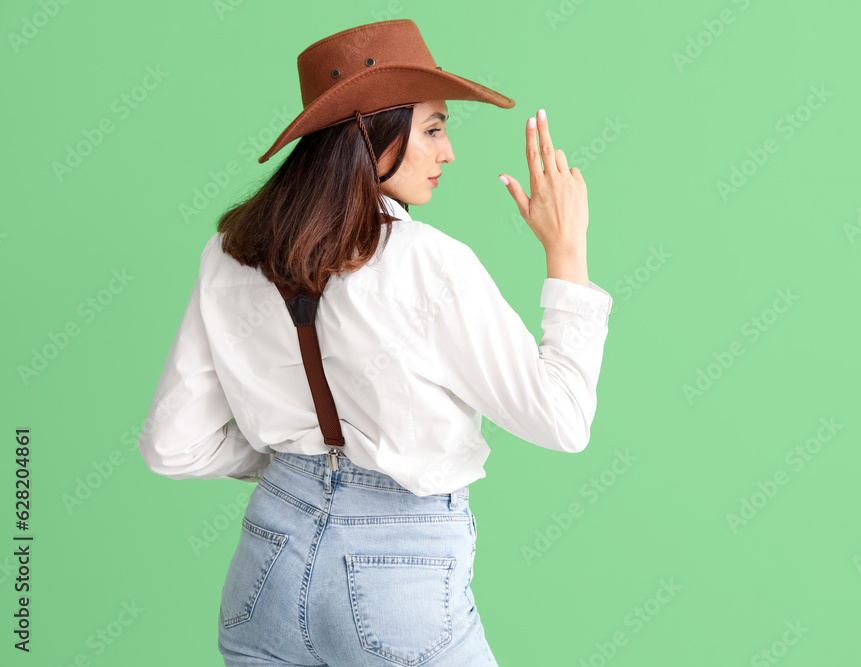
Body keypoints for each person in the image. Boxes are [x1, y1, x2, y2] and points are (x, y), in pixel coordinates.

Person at [136, 19, 612, 666]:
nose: (449, 154)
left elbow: (170, 445)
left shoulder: (229, 254)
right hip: (398, 577)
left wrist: (292, 465)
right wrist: (567, 250)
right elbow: (562, 419)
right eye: (434, 130)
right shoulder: (429, 262)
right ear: (371, 132)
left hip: (265, 575)